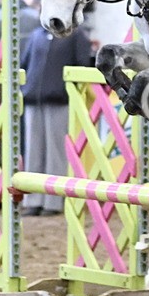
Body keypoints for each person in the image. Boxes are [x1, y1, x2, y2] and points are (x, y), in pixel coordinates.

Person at [21, 23, 93, 216]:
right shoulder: (36, 34)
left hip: (59, 101)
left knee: (56, 152)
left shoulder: (76, 36)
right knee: (33, 151)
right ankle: (33, 199)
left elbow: (83, 65)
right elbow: (24, 63)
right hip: (33, 100)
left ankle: (53, 201)